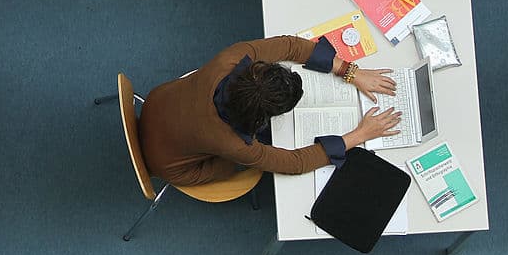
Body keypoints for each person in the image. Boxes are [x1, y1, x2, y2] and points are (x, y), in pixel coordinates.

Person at [137, 35, 402, 187]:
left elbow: (289, 46)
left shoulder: (233, 58)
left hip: (158, 103)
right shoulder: (234, 144)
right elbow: (294, 164)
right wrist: (360, 134)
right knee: (250, 165)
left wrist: (349, 71)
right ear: (260, 119)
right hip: (173, 167)